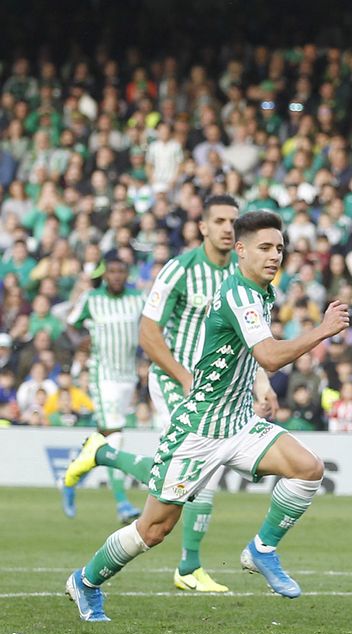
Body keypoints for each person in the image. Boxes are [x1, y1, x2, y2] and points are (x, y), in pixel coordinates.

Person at [63, 211, 351, 622]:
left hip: (238, 421)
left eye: (280, 248)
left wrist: (260, 389)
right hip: (199, 429)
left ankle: (261, 550)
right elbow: (268, 355)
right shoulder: (239, 294)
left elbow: (252, 357)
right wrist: (322, 330)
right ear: (241, 250)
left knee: (308, 468)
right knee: (154, 530)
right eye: (265, 248)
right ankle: (86, 581)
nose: (275, 256)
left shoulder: (261, 291)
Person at [63, 195, 241, 592]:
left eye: (234, 221)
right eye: (220, 220)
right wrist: (181, 375)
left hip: (213, 388)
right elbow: (149, 332)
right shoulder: (180, 270)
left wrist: (259, 384)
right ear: (203, 227)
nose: (229, 228)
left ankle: (103, 453)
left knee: (196, 473)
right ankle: (188, 567)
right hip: (172, 379)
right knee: (195, 468)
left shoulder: (239, 275)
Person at [59, 259, 144, 523]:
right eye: (112, 271)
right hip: (102, 374)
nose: (117, 275)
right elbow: (70, 324)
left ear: (126, 273)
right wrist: (77, 341)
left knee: (104, 437)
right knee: (115, 435)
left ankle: (70, 479)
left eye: (121, 270)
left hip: (128, 376)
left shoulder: (138, 299)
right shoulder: (91, 299)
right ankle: (122, 503)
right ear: (105, 274)